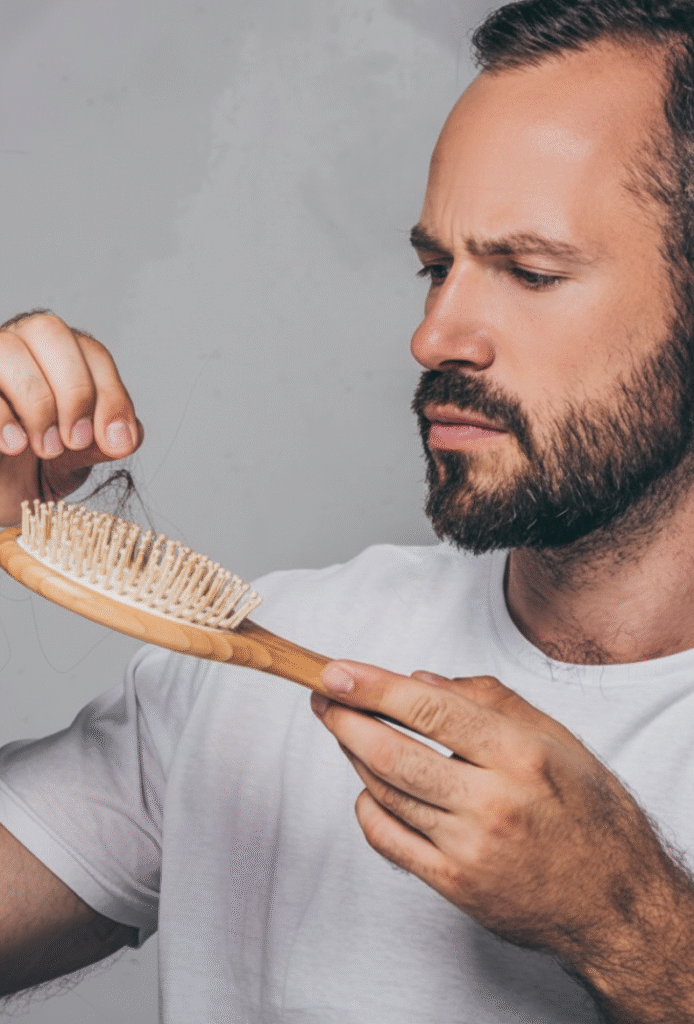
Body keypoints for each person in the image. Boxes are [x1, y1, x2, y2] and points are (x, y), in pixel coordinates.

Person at [2, 0, 694, 1020]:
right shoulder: (250, 673)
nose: (433, 335)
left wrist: (634, 926)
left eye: (530, 272)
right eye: (435, 266)